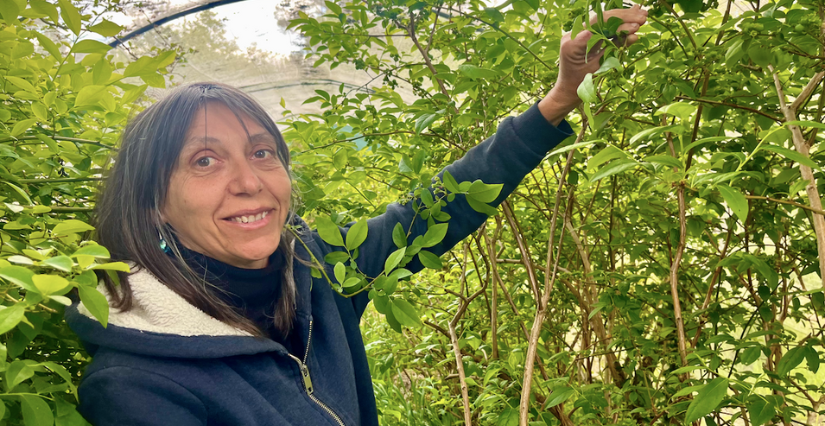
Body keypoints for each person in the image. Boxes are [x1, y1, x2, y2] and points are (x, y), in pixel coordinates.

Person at [65, 6, 647, 425]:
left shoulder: (318, 268)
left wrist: (562, 96)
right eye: (205, 160)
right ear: (152, 202)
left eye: (262, 152)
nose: (249, 182)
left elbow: (433, 213)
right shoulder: (139, 387)